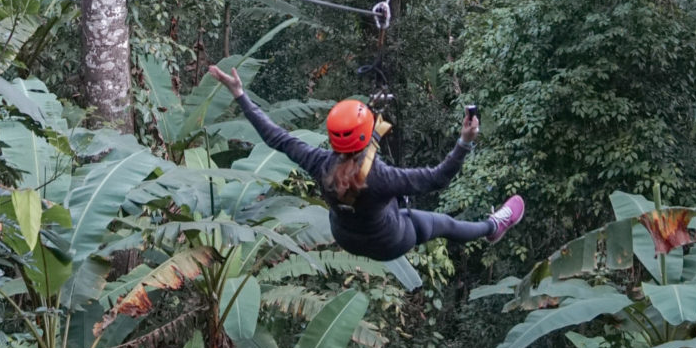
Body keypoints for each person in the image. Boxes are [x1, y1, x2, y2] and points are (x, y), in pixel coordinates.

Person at [207, 65, 525, 263]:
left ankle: (381, 128)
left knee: (395, 204)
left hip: (346, 236)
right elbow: (437, 178)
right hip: (390, 241)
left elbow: (276, 137)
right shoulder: (382, 177)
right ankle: (494, 227)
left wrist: (240, 95)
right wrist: (464, 141)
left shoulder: (319, 162)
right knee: (443, 224)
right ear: (364, 137)